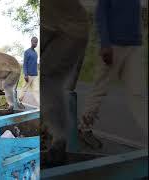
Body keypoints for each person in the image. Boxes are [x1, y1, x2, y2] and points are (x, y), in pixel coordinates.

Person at [79, 0, 148, 148]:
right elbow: (101, 14)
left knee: (138, 94)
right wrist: (105, 44)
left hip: (134, 46)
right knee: (100, 89)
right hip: (113, 45)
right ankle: (84, 129)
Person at [41, 0, 89, 166]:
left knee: (47, 79)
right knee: (48, 81)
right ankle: (57, 135)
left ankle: (59, 139)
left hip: (67, 31)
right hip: (63, 27)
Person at [19, 37, 39, 103]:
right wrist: (25, 74)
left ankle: (40, 106)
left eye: (36, 42)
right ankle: (19, 102)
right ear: (31, 42)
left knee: (36, 91)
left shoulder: (36, 53)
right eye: (34, 42)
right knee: (24, 90)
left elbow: (35, 64)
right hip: (28, 75)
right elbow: (25, 64)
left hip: (35, 75)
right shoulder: (27, 52)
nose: (35, 44)